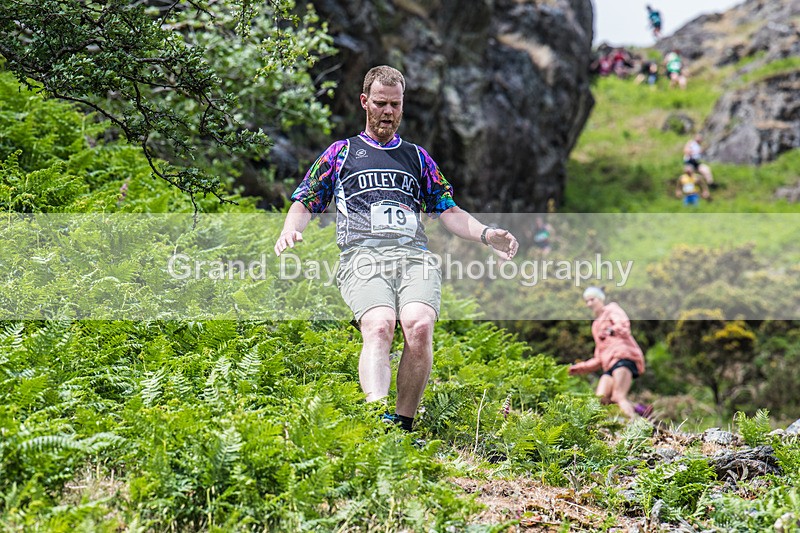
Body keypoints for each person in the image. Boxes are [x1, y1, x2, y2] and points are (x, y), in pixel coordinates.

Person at [274, 65, 519, 434]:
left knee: (419, 327)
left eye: (395, 104)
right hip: (361, 257)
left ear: (403, 105)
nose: (388, 112)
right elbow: (305, 200)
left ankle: (402, 425)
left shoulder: (417, 158)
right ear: (365, 102)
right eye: (380, 103)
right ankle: (376, 421)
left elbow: (449, 211)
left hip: (414, 257)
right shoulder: (341, 153)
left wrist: (486, 234)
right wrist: (290, 230)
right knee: (380, 325)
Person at [569, 287, 646, 419]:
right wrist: (578, 368)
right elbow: (598, 358)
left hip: (623, 357)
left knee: (618, 396)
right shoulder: (595, 326)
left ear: (600, 299)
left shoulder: (611, 309)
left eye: (592, 299)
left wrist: (610, 330)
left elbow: (624, 327)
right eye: (587, 301)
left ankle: (635, 425)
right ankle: (639, 410)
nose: (589, 304)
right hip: (608, 365)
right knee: (600, 399)